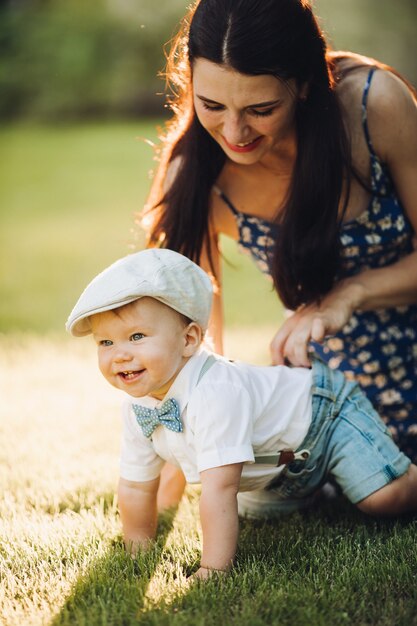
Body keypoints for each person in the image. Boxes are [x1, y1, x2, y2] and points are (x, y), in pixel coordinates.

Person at [142, 0, 417, 477]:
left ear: (305, 84)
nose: (234, 131)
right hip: (335, 399)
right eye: (212, 106)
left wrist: (348, 295)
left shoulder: (373, 106)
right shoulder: (195, 180)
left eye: (261, 109)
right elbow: (194, 349)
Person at [66, 248, 417, 579]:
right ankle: (322, 484)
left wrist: (213, 569)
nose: (119, 355)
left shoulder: (216, 391)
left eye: (136, 336)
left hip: (326, 413)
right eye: (105, 342)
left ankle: (368, 474)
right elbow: (135, 485)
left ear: (189, 340)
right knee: (254, 514)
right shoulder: (137, 406)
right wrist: (137, 549)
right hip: (279, 465)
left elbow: (220, 489)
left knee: (384, 498)